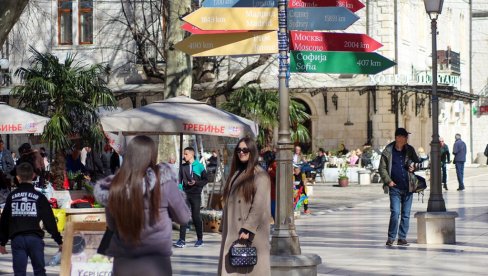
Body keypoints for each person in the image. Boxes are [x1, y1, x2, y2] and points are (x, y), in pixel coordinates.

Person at [94, 135, 190, 276]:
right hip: (156, 263)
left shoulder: (115, 187)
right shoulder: (165, 184)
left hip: (124, 263)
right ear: (152, 155)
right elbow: (184, 218)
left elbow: (112, 225)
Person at [218, 137, 271, 275]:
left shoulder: (260, 176)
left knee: (248, 271)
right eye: (239, 150)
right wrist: (223, 224)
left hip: (249, 233)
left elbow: (259, 205)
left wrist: (248, 228)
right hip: (234, 230)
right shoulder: (236, 174)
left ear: (252, 152)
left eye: (245, 150)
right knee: (232, 267)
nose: (241, 152)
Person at [0, 162, 63, 275]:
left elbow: (4, 221)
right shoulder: (39, 197)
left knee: (19, 272)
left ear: (18, 178)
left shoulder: (12, 197)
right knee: (39, 271)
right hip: (35, 239)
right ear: (33, 176)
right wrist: (59, 240)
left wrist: (2, 242)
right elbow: (49, 221)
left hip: (17, 239)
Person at [378, 128, 420, 246]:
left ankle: (402, 238)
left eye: (407, 137)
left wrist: (414, 167)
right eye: (405, 136)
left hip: (408, 187)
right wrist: (388, 181)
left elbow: (418, 163)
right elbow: (382, 168)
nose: (407, 139)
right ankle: (391, 237)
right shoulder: (388, 151)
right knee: (395, 213)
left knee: (406, 214)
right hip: (394, 187)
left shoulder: (410, 149)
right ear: (398, 138)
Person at [174, 147, 208, 248]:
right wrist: (180, 190)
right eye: (184, 154)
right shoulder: (183, 167)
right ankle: (181, 240)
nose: (184, 156)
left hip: (196, 194)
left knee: (196, 216)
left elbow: (206, 180)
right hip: (185, 194)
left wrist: (196, 183)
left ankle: (200, 239)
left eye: (186, 154)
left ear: (192, 155)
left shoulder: (200, 166)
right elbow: (179, 180)